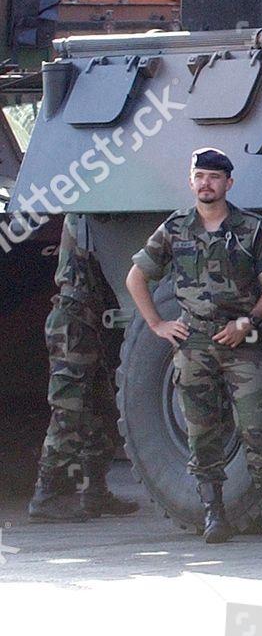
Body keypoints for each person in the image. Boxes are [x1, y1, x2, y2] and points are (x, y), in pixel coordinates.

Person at [125, 148, 262, 543]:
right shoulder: (175, 229)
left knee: (259, 427)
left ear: (228, 183)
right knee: (202, 433)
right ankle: (213, 514)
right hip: (193, 343)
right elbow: (137, 277)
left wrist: (248, 321)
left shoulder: (250, 228)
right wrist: (157, 323)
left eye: (214, 177)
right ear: (191, 181)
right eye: (200, 176)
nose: (206, 183)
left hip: (243, 342)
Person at [28, 214, 138, 523]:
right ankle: (46, 494)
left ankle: (95, 491)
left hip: (85, 323)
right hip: (71, 323)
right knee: (69, 411)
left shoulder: (87, 218)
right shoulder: (82, 215)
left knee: (100, 409)